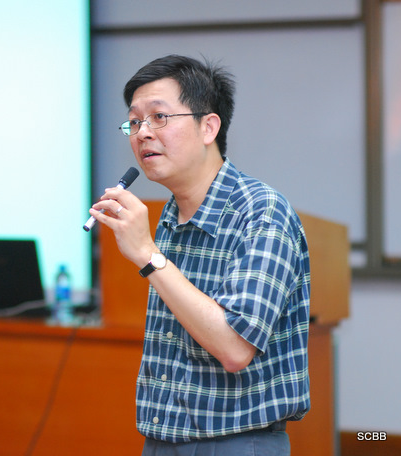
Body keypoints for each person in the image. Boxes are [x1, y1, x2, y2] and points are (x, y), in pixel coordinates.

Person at [88, 55, 310, 455]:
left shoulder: (261, 211)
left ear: (208, 127)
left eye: (159, 117)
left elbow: (235, 348)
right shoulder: (170, 214)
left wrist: (148, 255)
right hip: (162, 439)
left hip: (236, 443)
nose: (142, 133)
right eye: (134, 122)